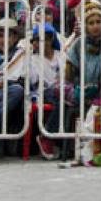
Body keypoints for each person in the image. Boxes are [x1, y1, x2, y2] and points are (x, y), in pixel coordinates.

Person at [29, 22, 65, 160]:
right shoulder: (32, 59)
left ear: (51, 39)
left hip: (62, 90)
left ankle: (55, 139)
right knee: (58, 96)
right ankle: (47, 136)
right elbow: (33, 81)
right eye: (37, 39)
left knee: (68, 100)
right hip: (42, 92)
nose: (40, 42)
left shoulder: (61, 55)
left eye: (45, 38)